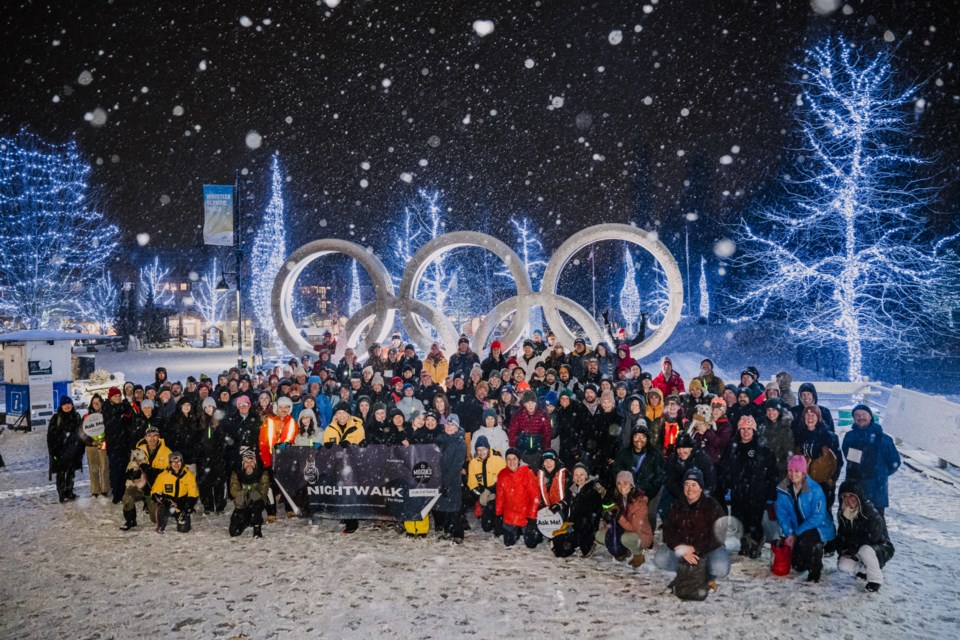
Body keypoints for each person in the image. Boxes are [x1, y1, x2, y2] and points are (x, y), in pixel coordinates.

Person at [654, 468, 730, 587]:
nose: (690, 489)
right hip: (682, 547)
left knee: (721, 569)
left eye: (694, 485)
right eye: (687, 485)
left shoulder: (712, 505)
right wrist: (682, 550)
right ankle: (690, 569)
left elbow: (718, 534)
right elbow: (668, 532)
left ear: (701, 488)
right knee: (660, 559)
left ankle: (700, 570)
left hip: (707, 548)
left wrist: (695, 548)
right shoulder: (676, 504)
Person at [721, 415, 778, 559]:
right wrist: (727, 482)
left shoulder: (761, 447)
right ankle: (744, 542)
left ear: (754, 430)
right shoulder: (732, 446)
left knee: (754, 520)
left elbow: (772, 471)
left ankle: (756, 543)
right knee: (740, 519)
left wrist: (770, 491)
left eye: (749, 429)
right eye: (743, 429)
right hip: (738, 491)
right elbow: (725, 467)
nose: (746, 432)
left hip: (756, 492)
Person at [775, 456, 836, 583]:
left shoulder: (815, 489)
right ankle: (805, 556)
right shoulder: (783, 490)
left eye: (797, 471)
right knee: (798, 566)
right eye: (790, 470)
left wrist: (797, 532)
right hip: (797, 528)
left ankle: (816, 567)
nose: (793, 474)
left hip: (818, 527)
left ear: (803, 472)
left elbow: (818, 517)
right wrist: (789, 533)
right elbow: (782, 514)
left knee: (809, 540)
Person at [835, 479, 894, 593]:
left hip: (880, 548)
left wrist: (852, 547)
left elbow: (872, 537)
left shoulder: (870, 512)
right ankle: (864, 569)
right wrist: (843, 549)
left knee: (865, 550)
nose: (848, 500)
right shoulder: (844, 514)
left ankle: (875, 580)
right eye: (845, 496)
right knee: (843, 565)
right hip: (857, 549)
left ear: (858, 496)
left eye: (852, 496)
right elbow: (841, 536)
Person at [841, 404, 900, 516]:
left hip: (877, 490)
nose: (860, 417)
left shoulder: (884, 438)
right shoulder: (849, 436)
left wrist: (881, 474)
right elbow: (848, 457)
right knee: (852, 524)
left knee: (876, 527)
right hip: (854, 487)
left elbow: (894, 462)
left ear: (871, 416)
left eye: (863, 414)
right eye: (857, 415)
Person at [614, 424, 665, 532]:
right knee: (628, 512)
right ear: (632, 437)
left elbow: (659, 478)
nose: (639, 440)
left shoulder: (655, 455)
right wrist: (624, 488)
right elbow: (617, 472)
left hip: (650, 490)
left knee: (649, 513)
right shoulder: (623, 454)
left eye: (643, 437)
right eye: (636, 436)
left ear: (647, 439)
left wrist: (648, 495)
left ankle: (648, 538)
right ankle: (630, 536)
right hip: (629, 490)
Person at [551, 463, 605, 558]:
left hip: (585, 527)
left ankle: (586, 543)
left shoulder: (592, 491)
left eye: (582, 474)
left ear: (587, 476)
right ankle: (571, 542)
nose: (579, 477)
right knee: (558, 548)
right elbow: (566, 500)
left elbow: (593, 515)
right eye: (576, 475)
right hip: (572, 524)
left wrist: (575, 527)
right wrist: (557, 505)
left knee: (571, 548)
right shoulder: (572, 489)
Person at [603, 471, 654, 567]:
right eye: (619, 483)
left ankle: (638, 554)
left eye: (625, 483)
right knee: (601, 536)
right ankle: (623, 550)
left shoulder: (640, 503)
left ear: (631, 485)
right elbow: (611, 517)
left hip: (640, 533)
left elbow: (634, 528)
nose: (622, 486)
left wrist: (619, 517)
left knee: (626, 538)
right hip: (624, 528)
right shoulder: (618, 498)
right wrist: (608, 519)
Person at [495, 448, 541, 548]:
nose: (511, 462)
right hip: (509, 515)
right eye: (509, 459)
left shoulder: (527, 473)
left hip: (525, 515)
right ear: (506, 461)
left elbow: (535, 497)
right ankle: (515, 531)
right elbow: (500, 497)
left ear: (519, 460)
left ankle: (532, 531)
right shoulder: (502, 474)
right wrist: (498, 515)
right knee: (508, 543)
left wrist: (532, 518)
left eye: (514, 459)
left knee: (531, 544)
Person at [434, 417, 467, 543]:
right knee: (444, 508)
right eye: (447, 424)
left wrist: (447, 482)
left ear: (457, 428)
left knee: (454, 508)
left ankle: (458, 533)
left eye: (452, 425)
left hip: (452, 479)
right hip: (440, 478)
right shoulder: (440, 440)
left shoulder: (460, 443)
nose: (449, 427)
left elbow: (456, 464)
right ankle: (448, 531)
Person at [150, 451, 200, 534]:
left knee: (184, 529)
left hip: (181, 504)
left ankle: (180, 516)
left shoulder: (189, 476)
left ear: (182, 462)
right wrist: (163, 499)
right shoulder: (162, 476)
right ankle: (161, 522)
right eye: (173, 462)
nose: (176, 464)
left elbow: (193, 493)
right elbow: (155, 491)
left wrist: (188, 506)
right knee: (159, 511)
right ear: (170, 463)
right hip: (167, 503)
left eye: (178, 461)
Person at [47, 396, 84, 503]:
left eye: (69, 404)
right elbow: (50, 436)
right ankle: (62, 493)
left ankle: (69, 491)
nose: (67, 406)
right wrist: (53, 451)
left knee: (71, 473)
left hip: (73, 451)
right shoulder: (56, 418)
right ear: (61, 406)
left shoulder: (76, 417)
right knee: (61, 473)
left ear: (72, 405)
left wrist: (80, 448)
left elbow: (81, 433)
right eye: (65, 404)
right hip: (60, 451)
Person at [467, 435, 505, 534]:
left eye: (484, 449)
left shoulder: (498, 461)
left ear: (488, 449)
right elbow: (472, 484)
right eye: (478, 450)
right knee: (486, 527)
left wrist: (491, 491)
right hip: (484, 495)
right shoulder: (473, 463)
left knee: (499, 530)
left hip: (498, 495)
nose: (481, 452)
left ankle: (500, 519)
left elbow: (504, 481)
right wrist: (480, 496)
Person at [508, 391, 551, 464]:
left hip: (537, 452)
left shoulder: (542, 415)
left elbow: (547, 435)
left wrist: (545, 451)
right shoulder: (518, 416)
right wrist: (514, 451)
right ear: (524, 404)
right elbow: (512, 434)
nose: (530, 405)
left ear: (536, 403)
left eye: (532, 402)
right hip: (522, 452)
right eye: (528, 403)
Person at [80, 394, 110, 498]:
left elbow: (111, 429)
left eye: (98, 402)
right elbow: (81, 432)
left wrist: (105, 440)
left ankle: (105, 489)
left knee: (104, 468)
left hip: (103, 445)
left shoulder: (106, 416)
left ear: (101, 403)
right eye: (94, 403)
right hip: (91, 446)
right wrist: (90, 442)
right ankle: (95, 490)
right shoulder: (86, 417)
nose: (96, 404)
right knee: (93, 469)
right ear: (91, 404)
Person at [537, 449, 569, 516]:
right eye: (546, 461)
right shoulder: (539, 476)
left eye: (551, 461)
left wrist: (559, 505)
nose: (548, 464)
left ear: (555, 462)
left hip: (562, 511)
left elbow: (570, 495)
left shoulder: (565, 475)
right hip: (545, 514)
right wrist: (541, 504)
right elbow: (536, 494)